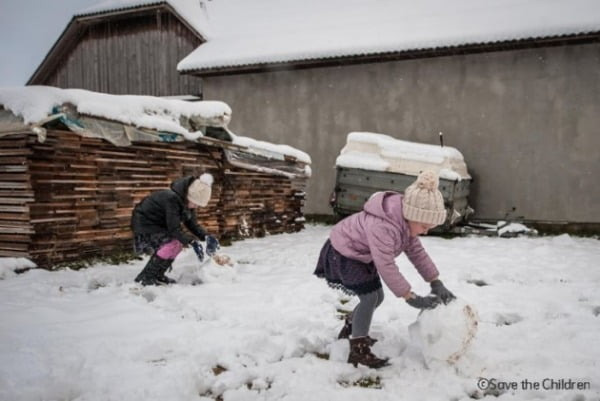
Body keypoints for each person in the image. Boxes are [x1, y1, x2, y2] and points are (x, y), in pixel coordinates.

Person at [314, 170, 456, 368]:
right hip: (344, 253)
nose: (426, 231)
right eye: (424, 225)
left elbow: (418, 254)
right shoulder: (384, 226)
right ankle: (358, 350)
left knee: (377, 297)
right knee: (370, 297)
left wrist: (436, 282)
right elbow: (386, 264)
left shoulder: (406, 226)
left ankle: (352, 326)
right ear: (412, 215)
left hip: (360, 254)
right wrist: (409, 296)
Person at [131, 174, 220, 285]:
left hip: (161, 226)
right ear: (189, 196)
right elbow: (174, 229)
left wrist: (207, 237)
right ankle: (146, 277)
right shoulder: (171, 199)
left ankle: (158, 275)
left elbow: (192, 225)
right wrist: (191, 241)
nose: (197, 207)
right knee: (172, 243)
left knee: (177, 244)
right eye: (196, 203)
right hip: (146, 225)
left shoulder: (187, 204)